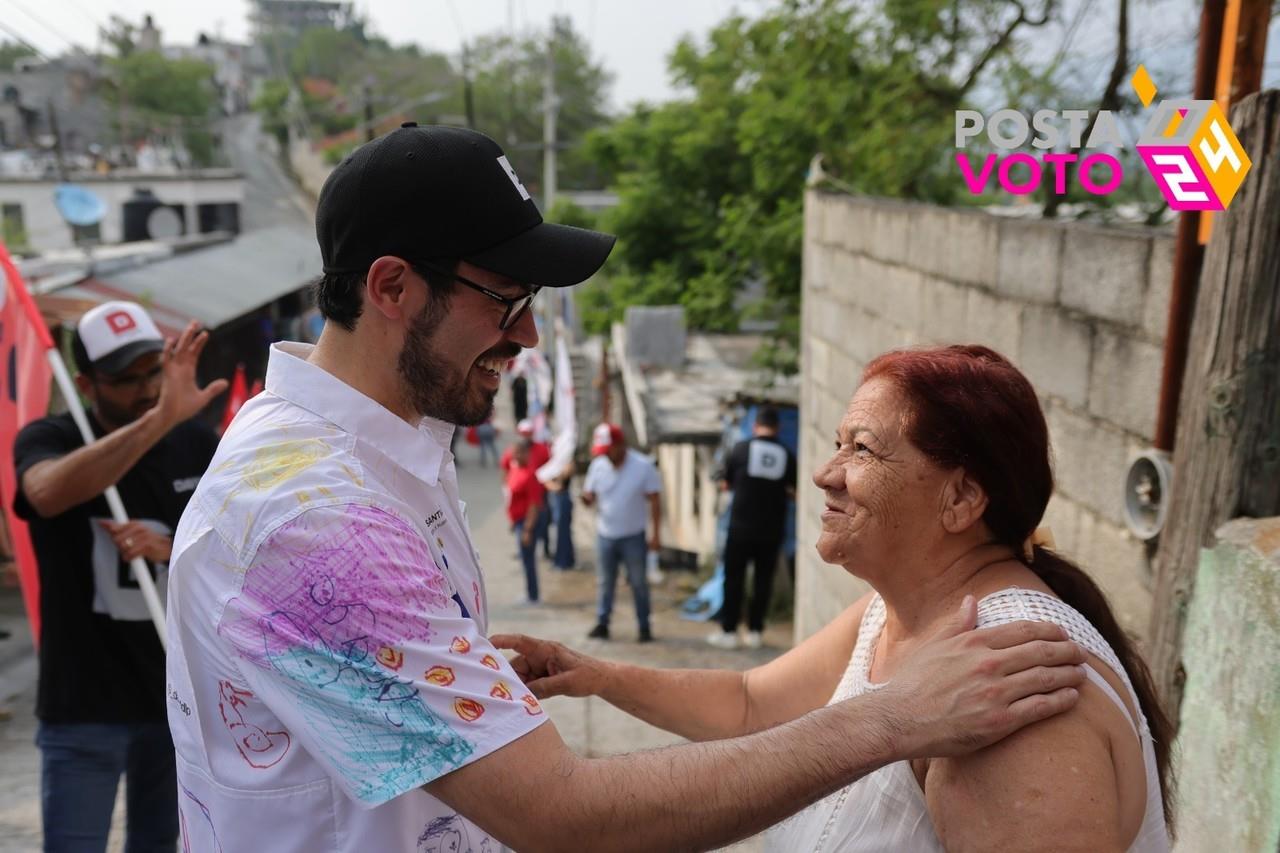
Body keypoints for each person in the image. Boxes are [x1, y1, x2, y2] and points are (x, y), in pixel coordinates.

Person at [164, 125, 1087, 853]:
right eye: (505, 299)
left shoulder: (390, 446)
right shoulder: (314, 514)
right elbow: (562, 814)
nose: (525, 337)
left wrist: (513, 672)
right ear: (393, 286)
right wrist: (896, 717)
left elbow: (756, 703)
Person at [497, 345, 1173, 851]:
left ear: (962, 498)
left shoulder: (1009, 683)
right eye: (837, 443)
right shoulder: (896, 612)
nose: (825, 472)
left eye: (864, 449)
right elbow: (751, 706)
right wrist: (596, 674)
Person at [14, 302, 225, 853]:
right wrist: (156, 422)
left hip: (175, 699)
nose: (145, 389)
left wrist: (171, 547)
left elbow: (241, 557)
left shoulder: (197, 443)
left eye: (153, 371)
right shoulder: (51, 437)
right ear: (84, 383)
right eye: (124, 379)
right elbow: (43, 492)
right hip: (82, 706)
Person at [709, 404, 797, 650]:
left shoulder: (740, 450)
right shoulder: (788, 455)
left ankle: (728, 631)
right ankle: (756, 631)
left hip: (740, 528)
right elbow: (793, 491)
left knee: (733, 578)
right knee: (762, 581)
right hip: (771, 530)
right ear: (777, 428)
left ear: (754, 426)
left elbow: (726, 483)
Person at [580, 423, 662, 643]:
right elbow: (590, 495)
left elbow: (655, 500)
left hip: (633, 536)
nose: (605, 455)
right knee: (606, 582)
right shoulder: (598, 466)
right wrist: (586, 499)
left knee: (638, 582)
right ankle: (603, 623)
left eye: (609, 450)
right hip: (606, 534)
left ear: (620, 445)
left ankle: (644, 626)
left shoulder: (643, 466)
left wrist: (656, 534)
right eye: (602, 451)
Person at [505, 438, 544, 604]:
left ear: (527, 454)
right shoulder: (515, 469)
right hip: (518, 521)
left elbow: (534, 505)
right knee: (525, 559)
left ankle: (533, 596)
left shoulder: (530, 475)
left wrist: (527, 529)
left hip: (527, 523)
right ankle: (529, 592)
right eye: (514, 452)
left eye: (520, 452)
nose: (516, 456)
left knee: (528, 559)